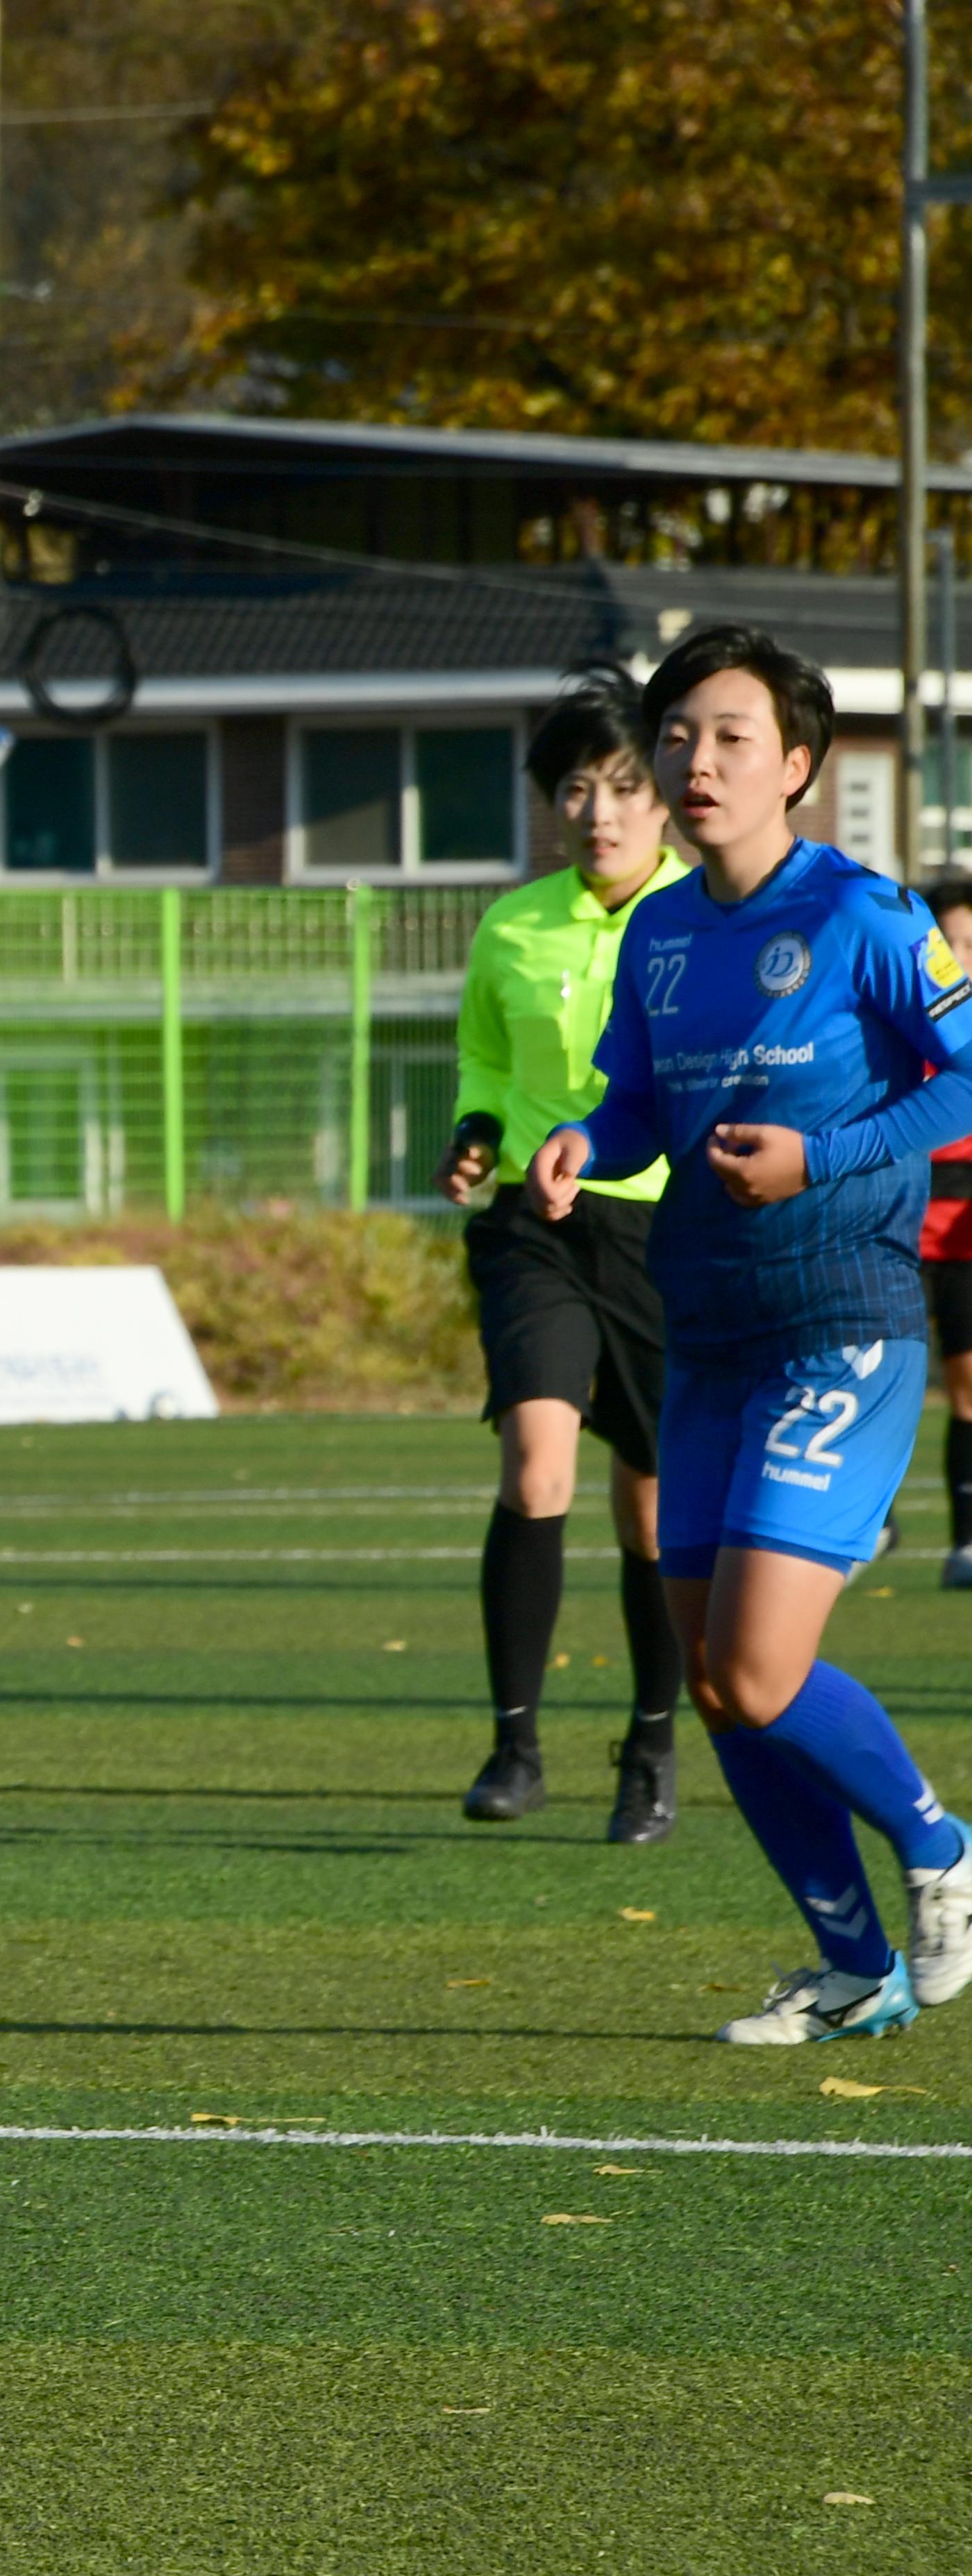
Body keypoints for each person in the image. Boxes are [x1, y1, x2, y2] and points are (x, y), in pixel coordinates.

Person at [530, 624, 972, 2044]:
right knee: (720, 1682)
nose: (694, 758)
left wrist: (819, 1159)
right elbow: (635, 1101)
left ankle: (946, 1844)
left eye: (728, 736)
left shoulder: (868, 914)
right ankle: (852, 1968)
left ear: (798, 764)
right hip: (705, 1323)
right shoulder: (659, 927)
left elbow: (963, 1083)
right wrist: (579, 1139)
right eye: (678, 735)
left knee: (764, 1662)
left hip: (838, 1314)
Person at [437, 666, 689, 1840]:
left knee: (648, 1518)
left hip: (665, 1231)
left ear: (664, 796)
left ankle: (648, 1747)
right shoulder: (508, 925)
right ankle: (513, 1743)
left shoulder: (703, 923)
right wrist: (477, 1132)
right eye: (576, 788)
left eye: (622, 785)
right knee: (534, 1466)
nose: (598, 810)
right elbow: (485, 1065)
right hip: (533, 1229)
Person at [926, 876, 972, 1588]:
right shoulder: (902, 1022)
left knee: (967, 1387)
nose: (960, 956)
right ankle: (865, 1521)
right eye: (947, 943)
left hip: (965, 1230)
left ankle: (965, 1542)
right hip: (900, 1220)